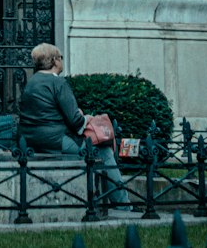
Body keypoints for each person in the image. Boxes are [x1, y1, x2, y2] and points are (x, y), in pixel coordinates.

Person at [18, 43, 128, 208]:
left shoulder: (31, 83)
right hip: (56, 141)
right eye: (60, 57)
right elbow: (76, 122)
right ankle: (123, 205)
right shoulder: (58, 83)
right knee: (104, 151)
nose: (62, 61)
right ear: (55, 60)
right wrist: (87, 118)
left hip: (30, 142)